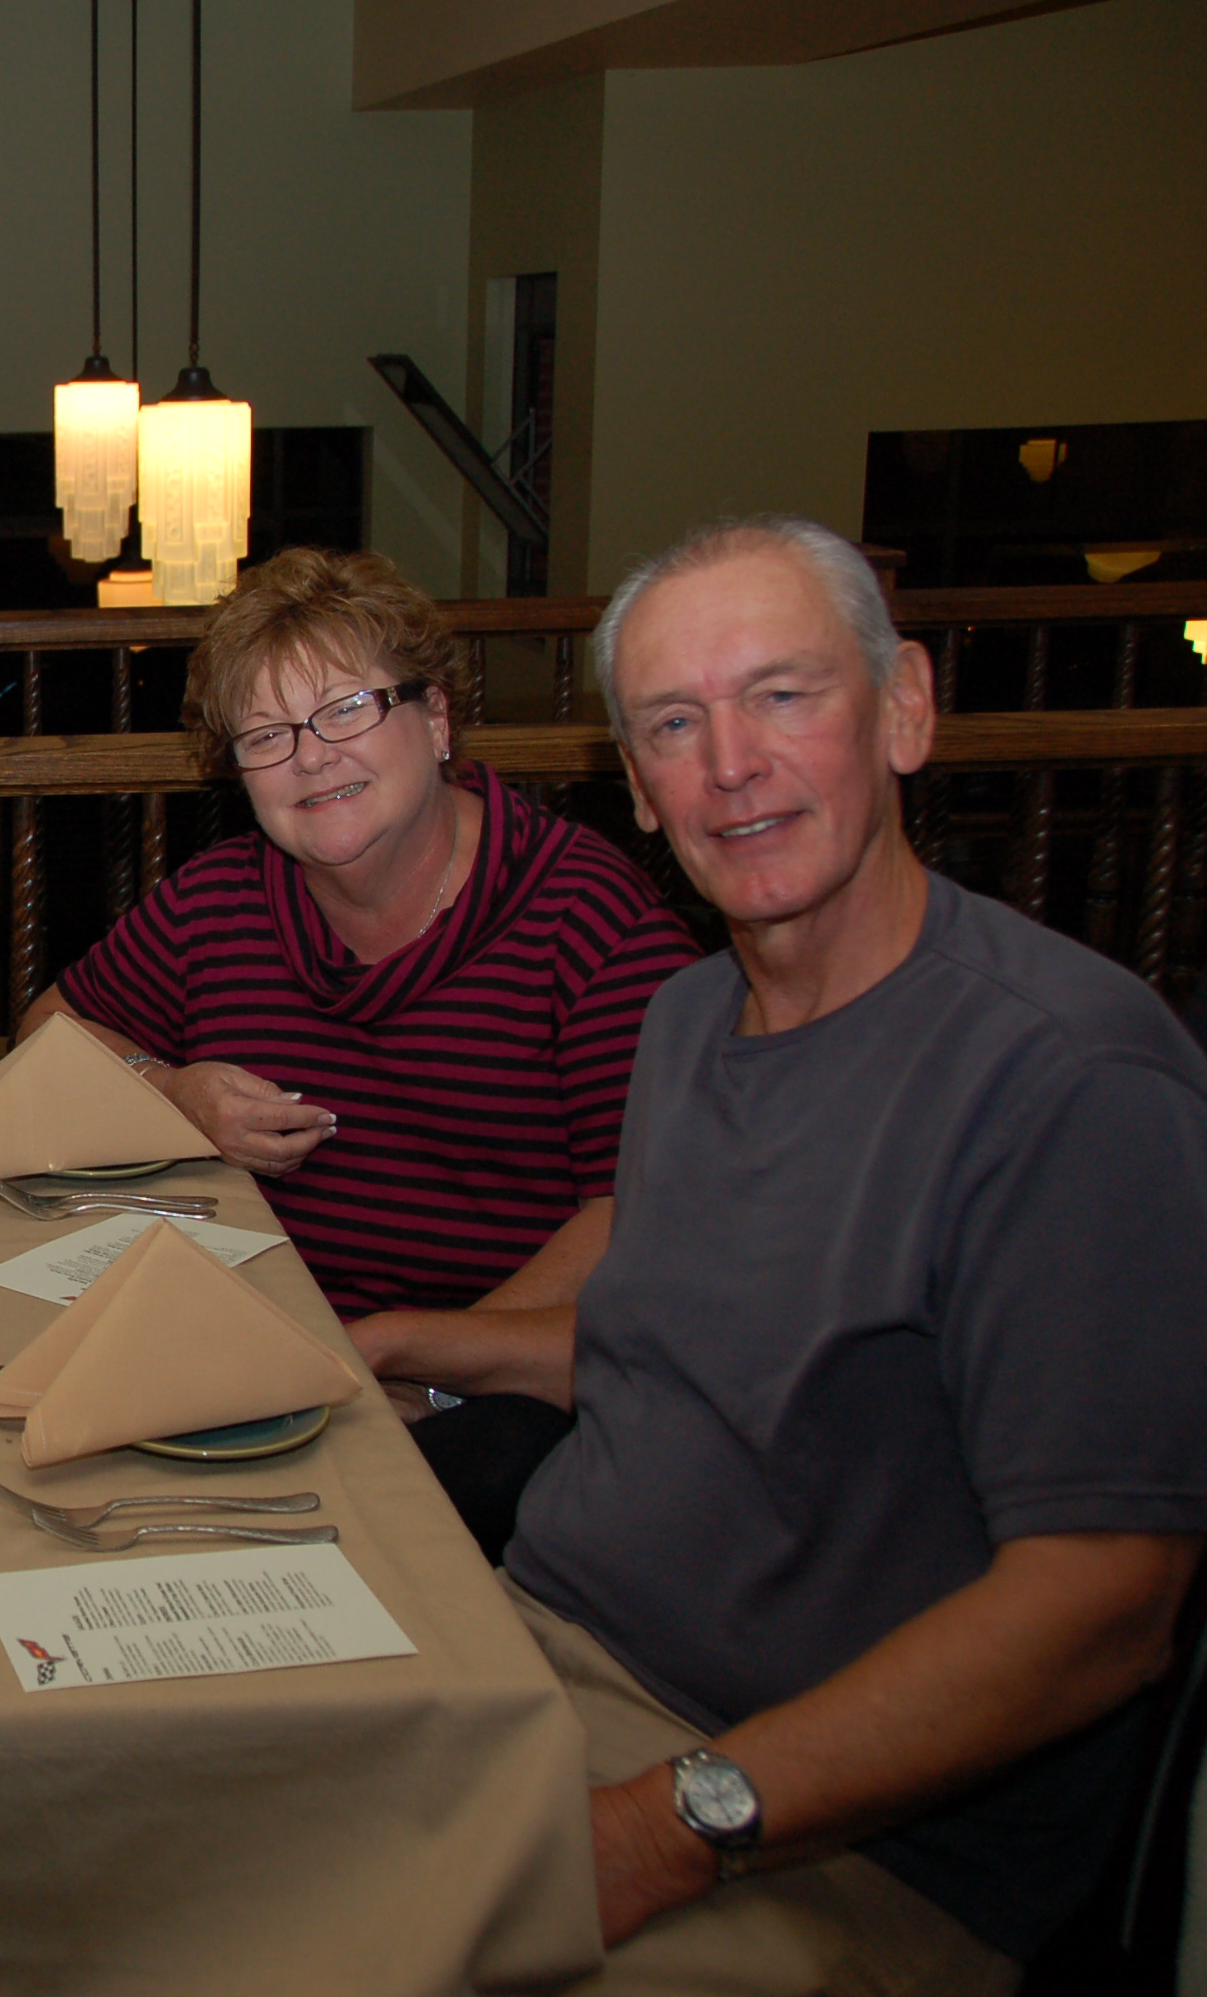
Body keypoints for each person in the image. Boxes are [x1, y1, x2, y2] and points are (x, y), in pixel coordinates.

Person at [483, 516, 1207, 1990]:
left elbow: (1104, 1603)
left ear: (906, 711)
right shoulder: (684, 1023)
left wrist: (670, 1825)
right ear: (634, 783)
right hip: (542, 1665)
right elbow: (665, 1355)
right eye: (674, 723)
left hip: (826, 1837)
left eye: (783, 695)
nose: (729, 763)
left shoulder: (1071, 1081)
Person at [21, 548, 699, 1554]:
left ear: (433, 721)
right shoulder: (222, 897)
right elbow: (47, 1027)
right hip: (255, 1358)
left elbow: (635, 1214)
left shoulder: (585, 915)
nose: (309, 756)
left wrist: (431, 1372)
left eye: (345, 710)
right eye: (264, 734)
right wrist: (165, 1088)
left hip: (490, 1400)